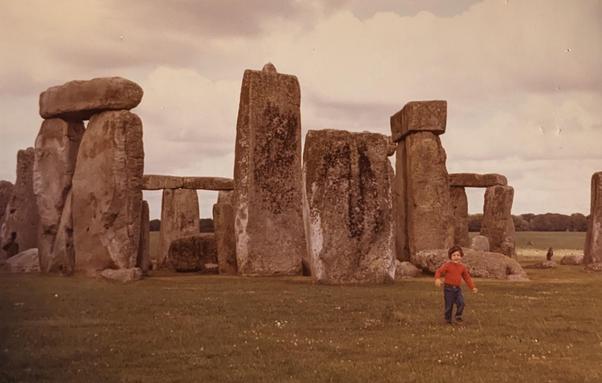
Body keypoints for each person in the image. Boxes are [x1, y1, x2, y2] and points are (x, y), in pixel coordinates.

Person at [434, 245, 478, 324]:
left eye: (458, 255)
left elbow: (467, 278)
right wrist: (437, 278)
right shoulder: (447, 265)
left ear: (461, 256)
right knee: (449, 305)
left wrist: (473, 287)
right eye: (454, 255)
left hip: (457, 289)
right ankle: (447, 319)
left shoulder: (462, 267)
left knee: (461, 303)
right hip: (448, 289)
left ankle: (458, 316)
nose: (456, 257)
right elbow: (439, 271)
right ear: (450, 256)